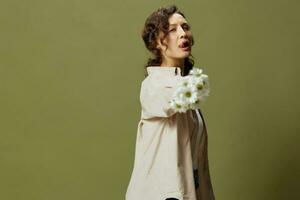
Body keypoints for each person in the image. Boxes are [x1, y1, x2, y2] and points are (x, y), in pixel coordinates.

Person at [125, 5, 215, 200]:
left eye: (185, 27)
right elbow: (171, 100)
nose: (183, 34)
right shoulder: (153, 86)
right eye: (172, 30)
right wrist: (193, 83)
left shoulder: (186, 89)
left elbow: (195, 161)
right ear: (157, 42)